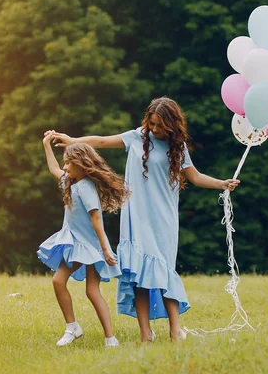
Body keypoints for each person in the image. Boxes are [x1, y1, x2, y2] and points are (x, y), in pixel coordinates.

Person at [52, 97, 240, 342]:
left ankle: (175, 331)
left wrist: (222, 183)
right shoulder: (137, 137)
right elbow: (101, 141)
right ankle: (145, 334)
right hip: (135, 214)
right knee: (138, 273)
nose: (154, 130)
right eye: (152, 124)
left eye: (160, 126)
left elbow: (194, 177)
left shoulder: (178, 147)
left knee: (164, 271)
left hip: (163, 217)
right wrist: (74, 140)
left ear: (172, 125)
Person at [37, 131, 129, 348]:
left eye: (69, 163)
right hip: (75, 243)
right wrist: (46, 146)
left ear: (81, 164)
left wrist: (105, 250)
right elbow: (53, 169)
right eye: (65, 163)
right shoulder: (71, 182)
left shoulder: (85, 187)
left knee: (91, 291)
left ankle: (110, 339)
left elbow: (96, 219)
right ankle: (73, 327)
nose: (65, 167)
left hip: (89, 246)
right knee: (60, 281)